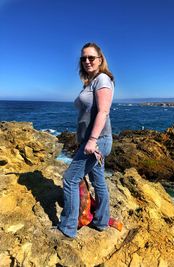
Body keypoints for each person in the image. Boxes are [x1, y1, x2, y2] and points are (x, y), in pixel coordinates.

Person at [57, 42, 114, 238]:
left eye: (91, 57)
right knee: (98, 180)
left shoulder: (103, 79)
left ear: (100, 59)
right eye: (83, 58)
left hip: (97, 142)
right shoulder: (90, 82)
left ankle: (68, 227)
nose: (87, 61)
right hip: (94, 141)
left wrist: (91, 140)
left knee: (70, 179)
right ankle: (102, 222)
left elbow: (104, 112)